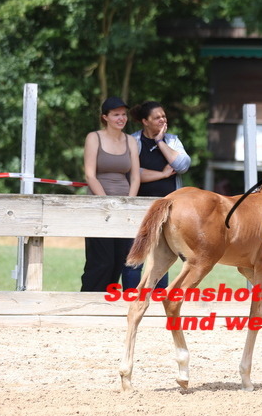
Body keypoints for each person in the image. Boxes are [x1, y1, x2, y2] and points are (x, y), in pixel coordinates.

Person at [121, 100, 192, 290]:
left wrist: (160, 142)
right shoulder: (133, 141)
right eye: (157, 117)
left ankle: (158, 299)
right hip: (140, 208)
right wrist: (161, 174)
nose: (162, 120)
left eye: (163, 116)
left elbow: (182, 165)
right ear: (145, 121)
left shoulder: (172, 140)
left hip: (168, 210)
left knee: (162, 258)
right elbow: (131, 172)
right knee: (135, 258)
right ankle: (130, 298)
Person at [81, 96, 140, 292]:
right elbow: (90, 175)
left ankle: (110, 303)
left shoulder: (130, 141)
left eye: (123, 114)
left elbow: (135, 177)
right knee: (101, 259)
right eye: (116, 115)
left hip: (124, 207)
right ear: (105, 117)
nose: (121, 118)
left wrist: (127, 204)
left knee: (120, 258)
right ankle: (89, 299)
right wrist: (107, 204)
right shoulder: (94, 137)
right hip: (99, 206)